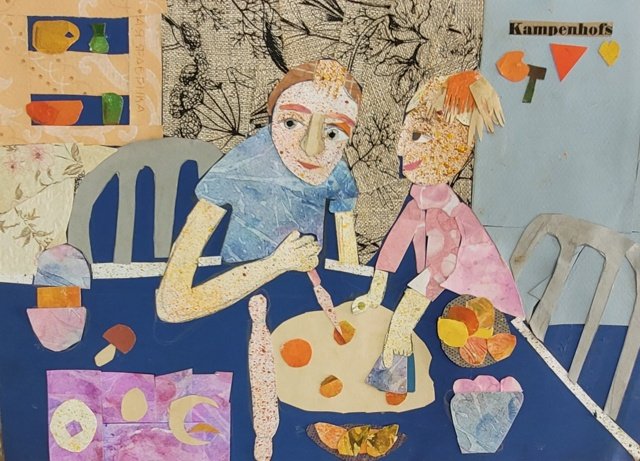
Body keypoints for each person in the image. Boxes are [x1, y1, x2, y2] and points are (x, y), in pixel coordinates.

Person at [157, 59, 362, 323]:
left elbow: (348, 272)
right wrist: (276, 264)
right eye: (291, 122)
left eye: (333, 133)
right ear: (272, 116)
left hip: (304, 312)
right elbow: (172, 305)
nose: (312, 148)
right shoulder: (239, 168)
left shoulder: (337, 174)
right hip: (234, 315)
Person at [352, 70, 524, 368]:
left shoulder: (452, 219)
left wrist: (400, 328)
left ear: (458, 146)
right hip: (445, 306)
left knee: (403, 347)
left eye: (418, 135)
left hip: (473, 313)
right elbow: (395, 245)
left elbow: (435, 276)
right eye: (405, 134)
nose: (401, 149)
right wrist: (375, 293)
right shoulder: (423, 199)